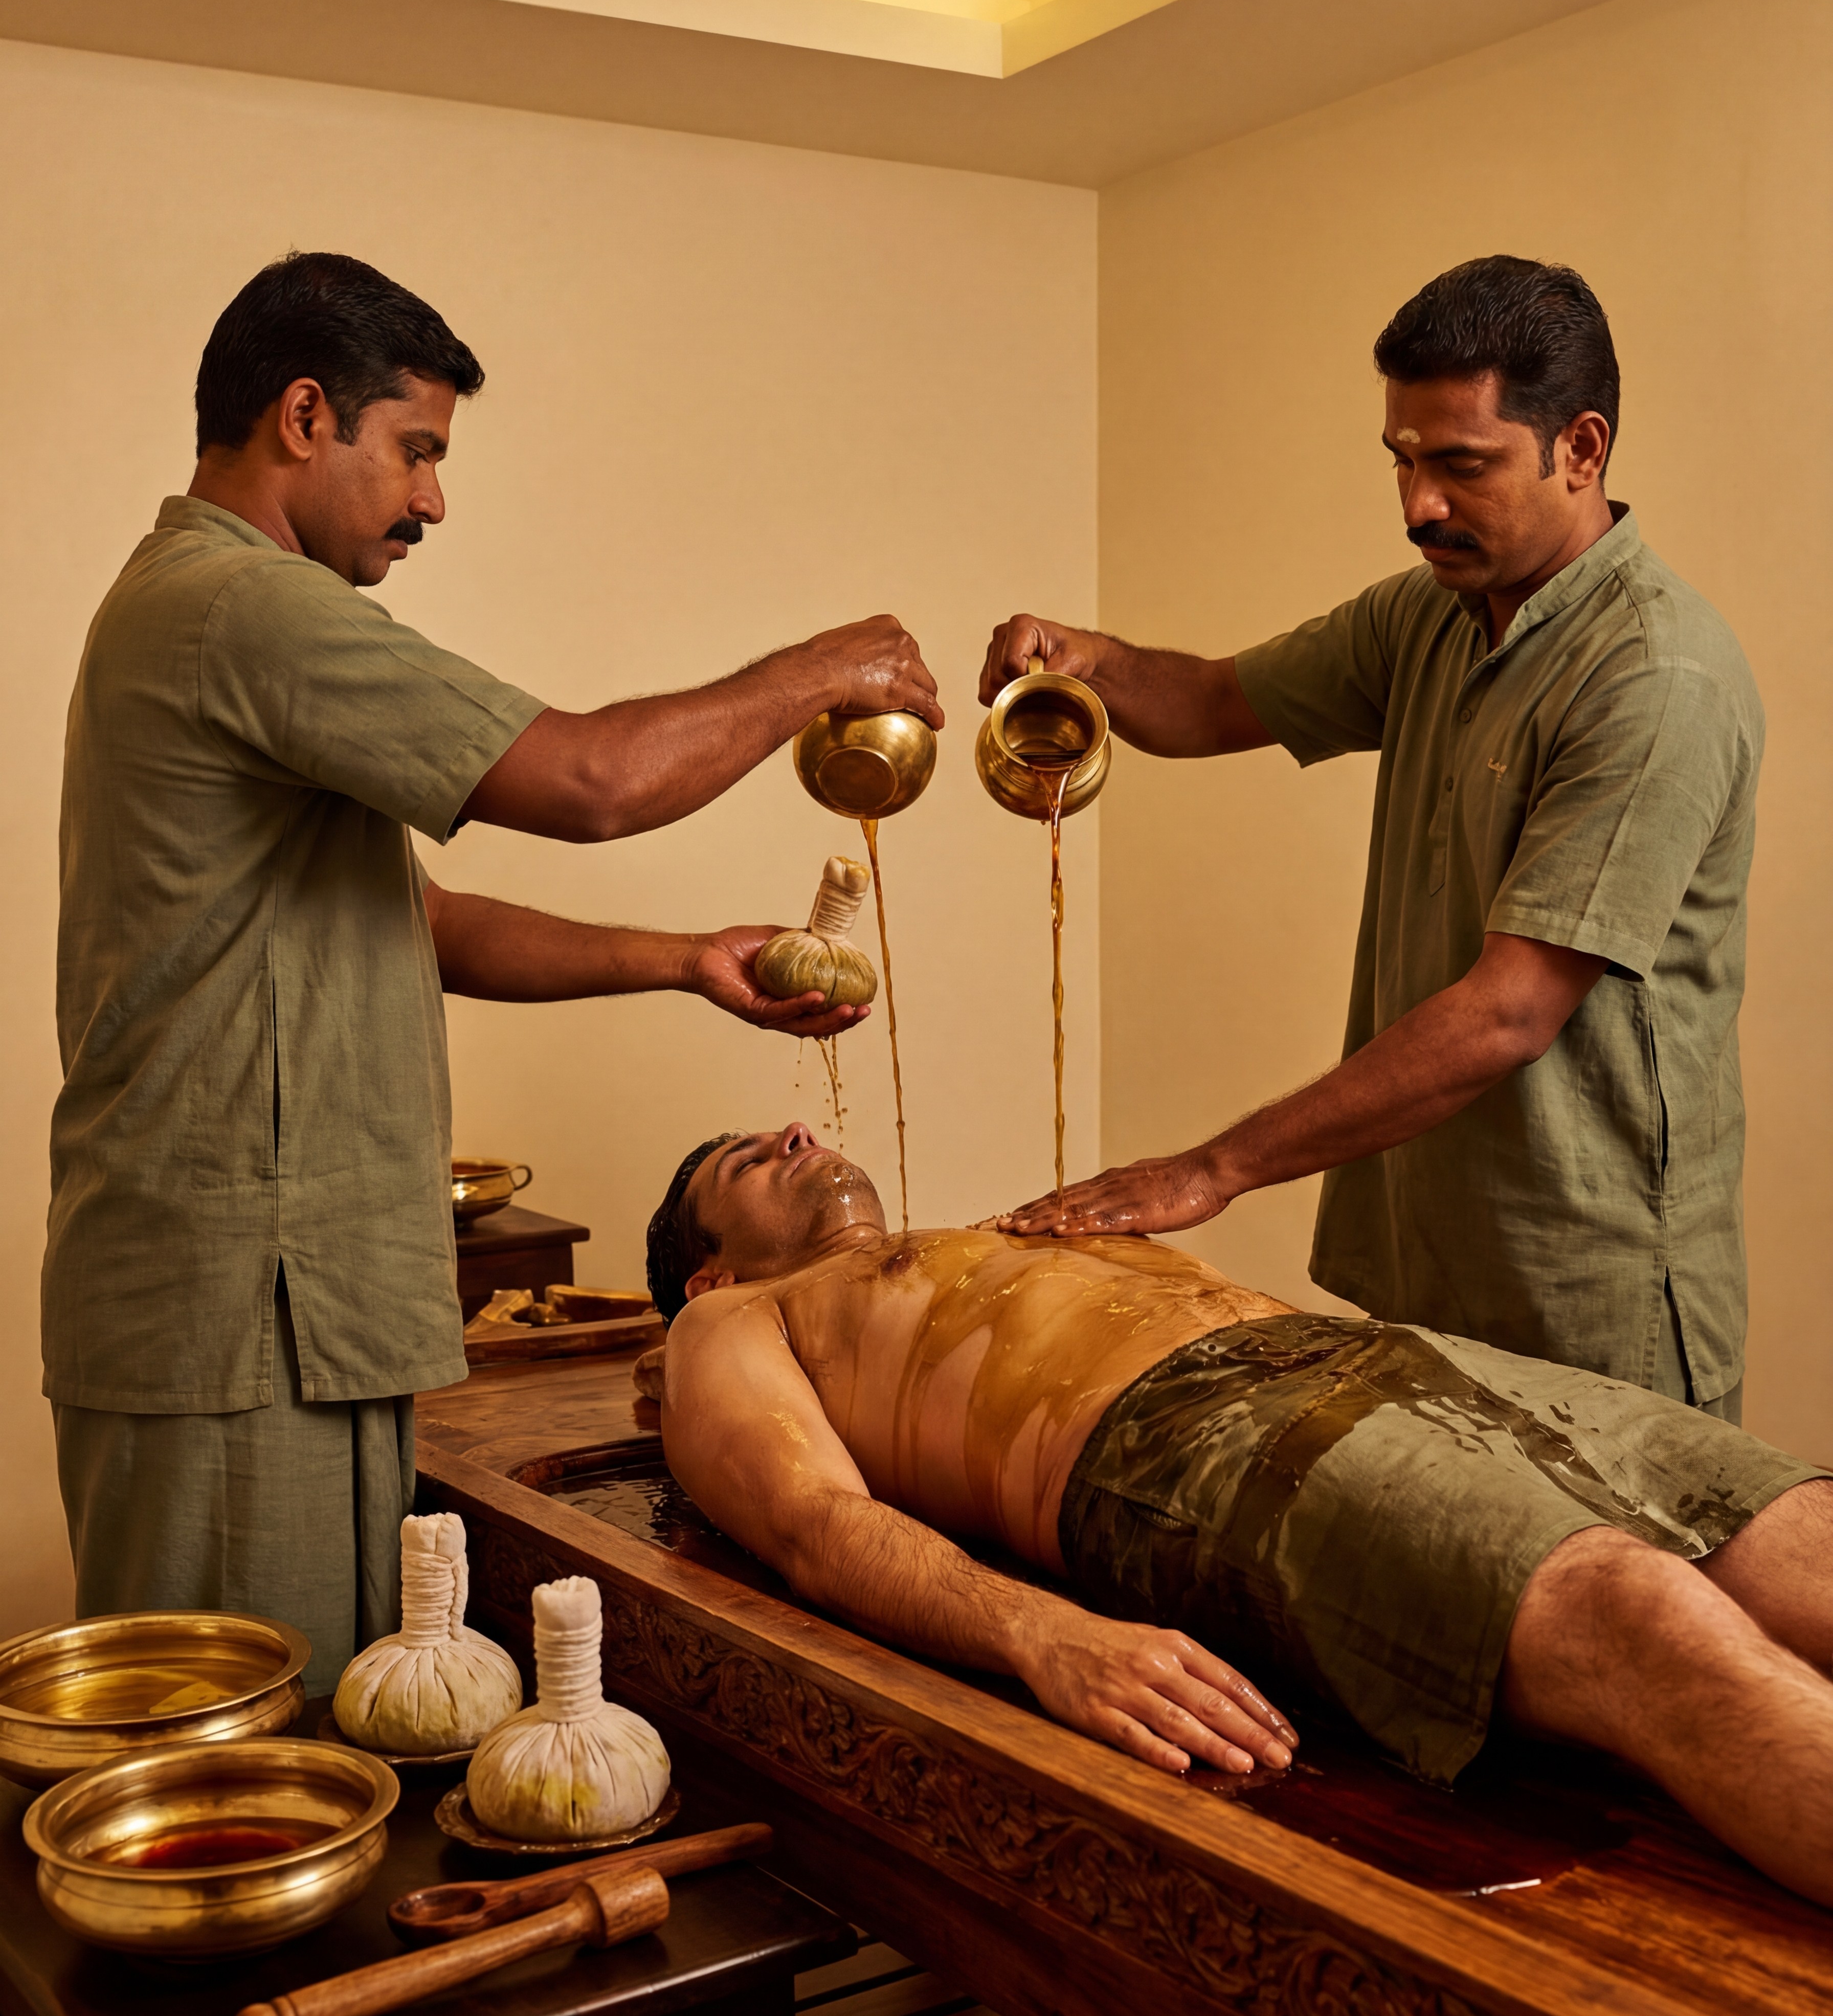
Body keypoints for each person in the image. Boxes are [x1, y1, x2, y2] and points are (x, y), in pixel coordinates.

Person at [45, 251, 943, 1691]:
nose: (432, 501)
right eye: (416, 450)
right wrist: (815, 674)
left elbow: (425, 919)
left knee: (335, 1727)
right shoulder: (246, 608)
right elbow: (592, 779)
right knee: (245, 1755)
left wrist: (685, 961)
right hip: (238, 1314)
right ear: (303, 417)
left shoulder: (215, 619)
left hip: (290, 1311)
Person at [642, 1123, 1833, 1908]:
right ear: (710, 1271)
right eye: (746, 1161)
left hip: (1376, 1354)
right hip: (1185, 1439)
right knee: (1634, 1611)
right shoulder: (731, 1322)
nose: (796, 1134)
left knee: (1801, 1537)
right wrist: (1041, 1633)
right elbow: (811, 1522)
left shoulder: (972, 1237)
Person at [981, 256, 1761, 1420]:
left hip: (1586, 1295)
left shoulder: (1655, 675)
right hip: (1424, 1264)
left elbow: (1508, 1013)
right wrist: (1089, 660)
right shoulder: (1429, 613)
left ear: (1581, 448)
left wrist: (1209, 1171)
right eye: (1402, 460)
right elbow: (1212, 703)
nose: (1417, 508)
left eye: (1461, 465)